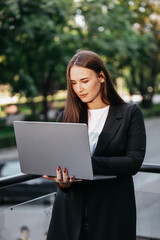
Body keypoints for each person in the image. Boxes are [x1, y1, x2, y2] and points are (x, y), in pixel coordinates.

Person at [43, 50, 146, 240]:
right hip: (69, 213)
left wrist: (85, 164)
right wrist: (62, 182)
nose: (79, 88)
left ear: (101, 77)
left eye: (84, 81)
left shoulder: (130, 113)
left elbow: (133, 162)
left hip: (110, 213)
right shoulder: (66, 116)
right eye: (73, 83)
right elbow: (63, 165)